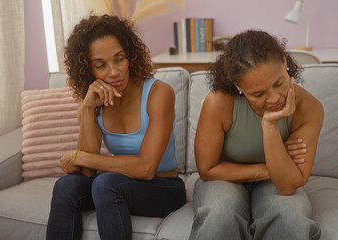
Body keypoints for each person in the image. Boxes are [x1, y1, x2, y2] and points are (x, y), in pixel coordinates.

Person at [46, 14, 186, 240]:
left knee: (107, 183)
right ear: (88, 69)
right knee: (66, 186)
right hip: (117, 186)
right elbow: (88, 173)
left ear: (130, 56)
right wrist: (86, 109)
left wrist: (78, 157)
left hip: (164, 187)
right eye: (101, 65)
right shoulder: (96, 100)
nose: (113, 72)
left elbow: (146, 168)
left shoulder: (159, 93)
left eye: (119, 59)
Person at [189, 30, 323, 240]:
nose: (274, 99)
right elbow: (208, 170)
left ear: (285, 63)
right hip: (223, 180)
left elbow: (288, 185)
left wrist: (269, 125)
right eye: (258, 94)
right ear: (238, 86)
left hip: (274, 184)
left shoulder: (309, 108)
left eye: (279, 83)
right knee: (220, 214)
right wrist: (275, 166)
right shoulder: (219, 103)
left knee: (291, 216)